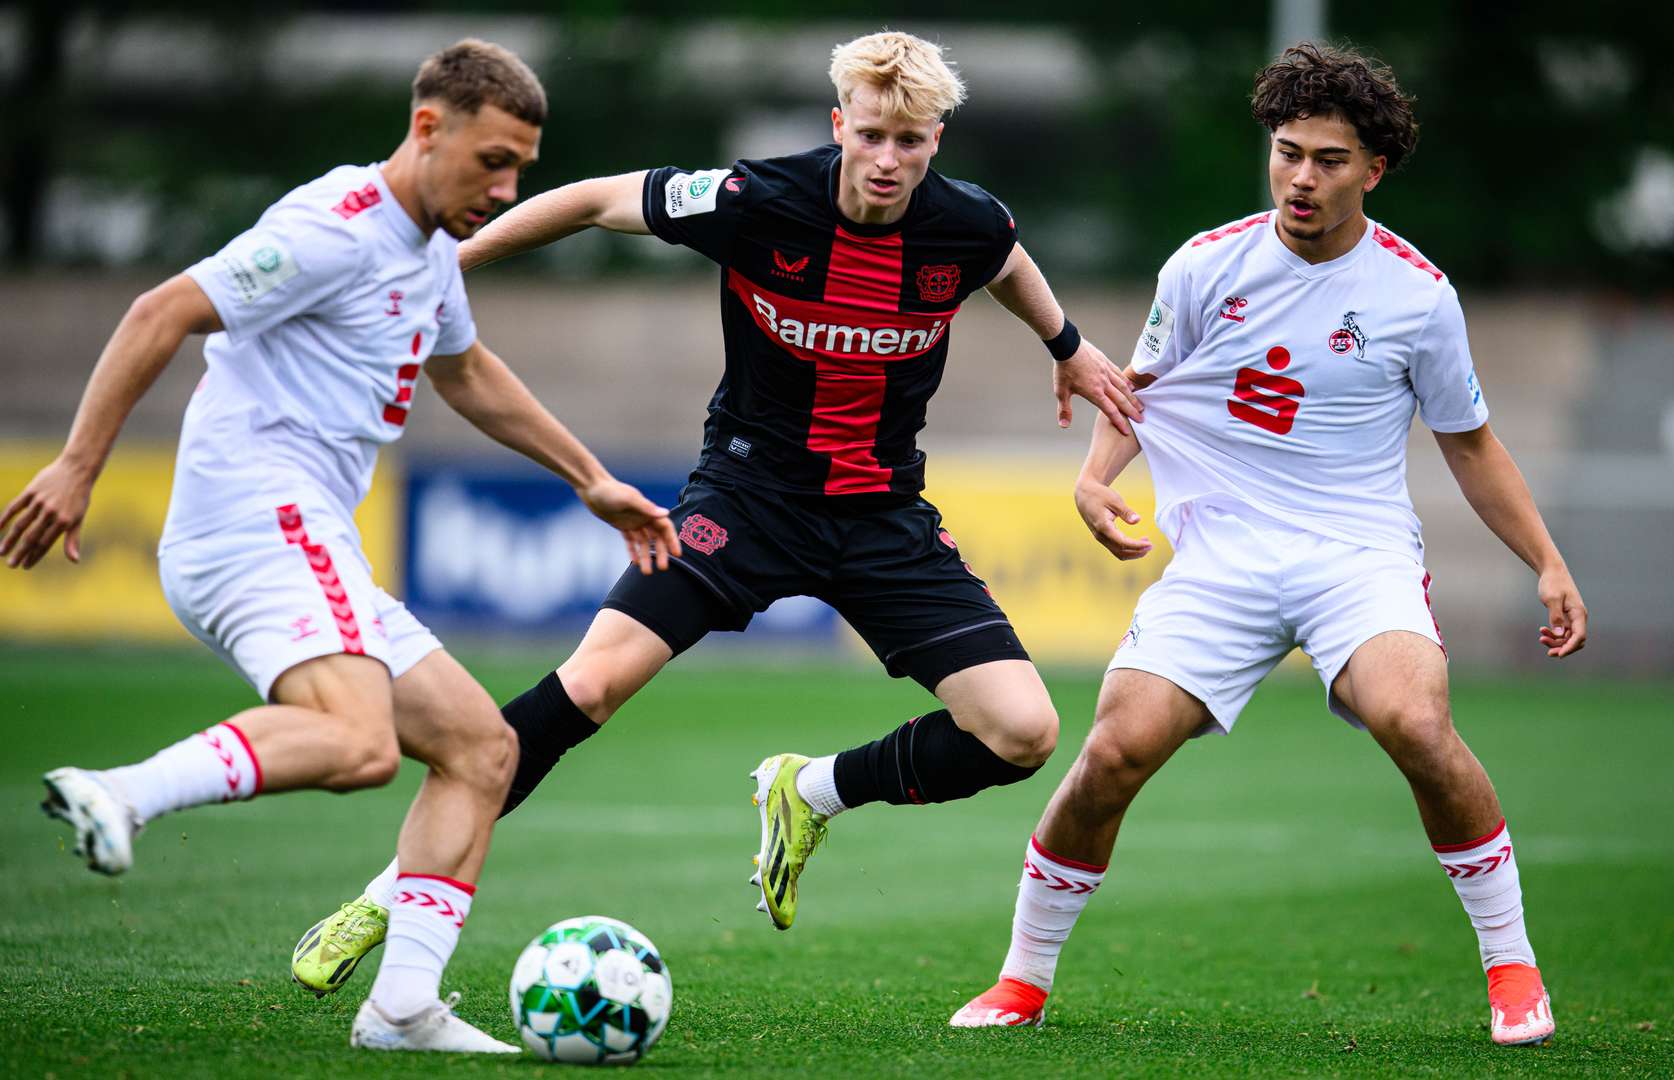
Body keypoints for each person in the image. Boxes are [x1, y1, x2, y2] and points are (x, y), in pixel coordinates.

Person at [292, 28, 1143, 991]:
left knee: (1023, 734)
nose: (888, 161)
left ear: (937, 140)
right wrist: (449, 270)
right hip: (744, 500)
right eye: (870, 136)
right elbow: (589, 200)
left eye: (910, 141)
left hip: (881, 516)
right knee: (589, 689)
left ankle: (811, 789)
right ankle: (389, 892)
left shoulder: (968, 222)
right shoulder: (755, 200)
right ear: (839, 126)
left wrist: (1067, 344)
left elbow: (1005, 260)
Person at [3, 39, 680, 1053]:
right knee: (361, 746)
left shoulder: (431, 252)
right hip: (259, 518)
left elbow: (468, 371)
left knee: (482, 748)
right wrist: (77, 465)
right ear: (426, 128)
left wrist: (590, 477)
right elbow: (162, 310)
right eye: (490, 161)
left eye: (519, 171)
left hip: (302, 535)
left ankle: (402, 1007)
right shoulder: (334, 229)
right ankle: (124, 795)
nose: (502, 188)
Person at [949, 43, 1589, 1048]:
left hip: (1357, 555)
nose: (1300, 176)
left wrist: (1546, 562)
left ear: (1373, 170)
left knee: (1414, 725)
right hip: (1221, 561)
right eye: (1288, 153)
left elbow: (1471, 445)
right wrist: (1093, 479)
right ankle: (1021, 982)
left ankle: (1513, 971)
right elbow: (1146, 387)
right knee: (1113, 751)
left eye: (1329, 160)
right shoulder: (1205, 265)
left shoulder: (1419, 297)